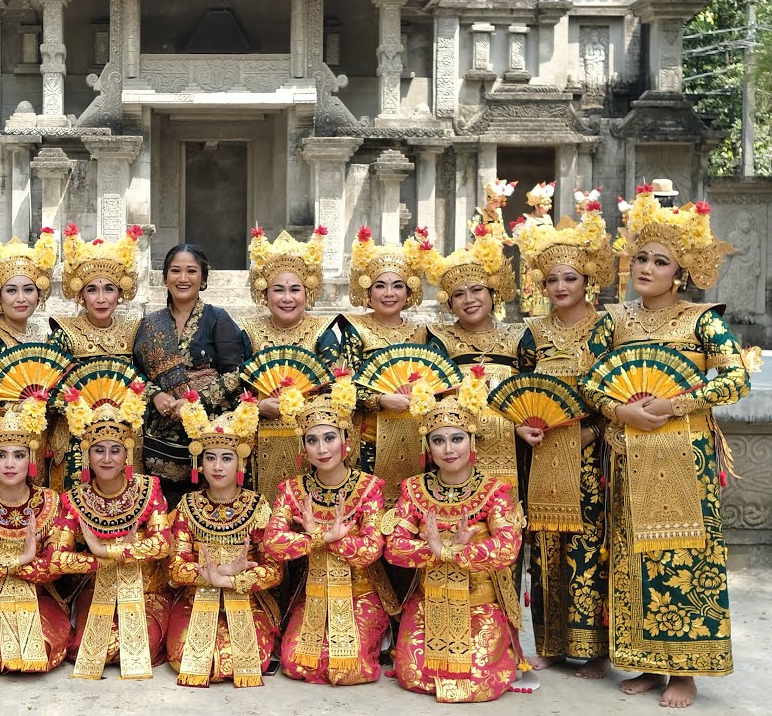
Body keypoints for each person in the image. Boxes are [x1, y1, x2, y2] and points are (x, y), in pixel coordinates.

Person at [582, 186, 755, 709]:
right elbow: (591, 383)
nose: (646, 267)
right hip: (627, 450)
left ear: (679, 273)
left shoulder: (703, 319)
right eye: (640, 257)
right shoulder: (613, 320)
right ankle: (650, 664)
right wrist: (621, 410)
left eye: (659, 261)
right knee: (633, 554)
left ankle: (687, 671)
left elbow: (737, 379)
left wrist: (676, 405)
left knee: (683, 553)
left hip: (685, 450)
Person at [512, 188, 615, 678]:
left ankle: (592, 649)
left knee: (589, 546)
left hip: (592, 456)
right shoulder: (531, 332)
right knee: (544, 548)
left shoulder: (606, 329)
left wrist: (590, 434)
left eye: (569, 277)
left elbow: (619, 394)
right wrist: (524, 428)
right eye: (551, 278)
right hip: (540, 453)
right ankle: (551, 644)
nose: (559, 286)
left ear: (587, 281)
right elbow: (521, 390)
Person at [387, 369, 527, 703]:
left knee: (477, 683)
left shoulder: (495, 491)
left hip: (480, 604)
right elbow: (394, 548)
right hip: (428, 602)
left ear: (471, 441)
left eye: (457, 438)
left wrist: (449, 551)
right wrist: (433, 548)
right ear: (428, 447)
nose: (448, 449)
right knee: (414, 676)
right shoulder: (414, 489)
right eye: (438, 440)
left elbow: (508, 547)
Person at [262, 371, 399, 685]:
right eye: (312, 440)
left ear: (346, 442)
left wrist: (328, 540)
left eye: (329, 438)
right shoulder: (292, 489)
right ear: (304, 448)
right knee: (297, 664)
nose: (322, 448)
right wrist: (324, 537)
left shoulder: (369, 488)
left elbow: (370, 550)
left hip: (361, 593)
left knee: (350, 667)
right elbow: (273, 542)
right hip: (313, 594)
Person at [50, 380, 174, 679]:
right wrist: (103, 558)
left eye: (115, 450)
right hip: (97, 591)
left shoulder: (149, 489)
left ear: (126, 454)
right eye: (99, 451)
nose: (106, 459)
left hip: (147, 591)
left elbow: (162, 544)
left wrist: (107, 549)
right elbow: (56, 558)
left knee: (130, 647)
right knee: (90, 651)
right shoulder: (75, 499)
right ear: (87, 455)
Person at [0, 391, 73, 673]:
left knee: (42, 649)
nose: (9, 464)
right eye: (1, 455)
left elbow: (57, 563)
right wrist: (23, 560)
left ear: (30, 458)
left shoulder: (51, 502)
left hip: (36, 598)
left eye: (18, 456)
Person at [167, 393, 280, 687]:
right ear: (200, 463)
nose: (218, 466)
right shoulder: (186, 506)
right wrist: (209, 575)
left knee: (244, 657)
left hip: (247, 598)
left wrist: (233, 579)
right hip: (195, 599)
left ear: (239, 463)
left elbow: (274, 570)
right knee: (191, 658)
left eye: (226, 458)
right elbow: (176, 567)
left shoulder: (258, 507)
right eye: (211, 457)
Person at [416, 219, 527, 495]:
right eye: (459, 294)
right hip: (454, 451)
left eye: (477, 290)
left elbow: (530, 395)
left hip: (515, 446)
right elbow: (437, 400)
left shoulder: (519, 336)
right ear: (449, 302)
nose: (469, 299)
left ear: (492, 293)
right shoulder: (439, 339)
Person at [239, 226, 341, 505]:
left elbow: (335, 390)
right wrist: (257, 407)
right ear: (265, 293)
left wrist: (305, 407)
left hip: (312, 442)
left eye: (295, 289)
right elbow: (234, 386)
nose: (287, 298)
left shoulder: (323, 332)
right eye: (278, 290)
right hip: (259, 441)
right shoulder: (248, 332)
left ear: (307, 293)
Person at [134, 244, 243, 506]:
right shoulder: (150, 323)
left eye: (191, 271)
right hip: (160, 437)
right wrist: (154, 394)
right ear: (165, 277)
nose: (183, 278)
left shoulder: (218, 319)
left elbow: (235, 374)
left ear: (203, 279)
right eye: (175, 271)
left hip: (206, 434)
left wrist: (194, 403)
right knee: (163, 507)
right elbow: (134, 371)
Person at [47, 223, 144, 492]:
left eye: (108, 289)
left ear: (120, 293)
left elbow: (145, 381)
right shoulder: (65, 332)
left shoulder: (134, 330)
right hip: (78, 437)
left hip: (123, 436)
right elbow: (50, 388)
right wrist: (79, 407)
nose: (101, 299)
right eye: (92, 290)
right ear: (81, 294)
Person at [342, 225, 431, 505]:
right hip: (369, 436)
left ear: (409, 292)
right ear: (368, 291)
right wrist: (380, 399)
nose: (389, 293)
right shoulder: (355, 329)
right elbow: (344, 387)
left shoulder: (423, 333)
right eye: (380, 285)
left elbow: (437, 384)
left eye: (397, 285)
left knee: (412, 508)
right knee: (370, 508)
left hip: (415, 435)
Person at [0, 227, 58, 485]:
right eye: (11, 291)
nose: (21, 299)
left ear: (38, 295)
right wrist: (21, 406)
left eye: (28, 290)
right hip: (0, 448)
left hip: (37, 441)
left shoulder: (43, 337)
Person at [514, 181, 556, 316]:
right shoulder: (528, 219)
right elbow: (522, 240)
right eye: (545, 204)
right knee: (532, 288)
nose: (548, 207)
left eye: (549, 203)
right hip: (532, 260)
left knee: (544, 288)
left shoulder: (548, 218)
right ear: (537, 205)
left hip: (546, 259)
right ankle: (531, 315)